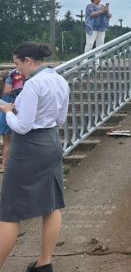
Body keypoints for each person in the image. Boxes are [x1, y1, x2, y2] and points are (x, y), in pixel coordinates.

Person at [0, 42, 69, 271]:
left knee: (10, 211)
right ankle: (44, 263)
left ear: (29, 60)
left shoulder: (33, 85)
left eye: (18, 64)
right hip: (50, 143)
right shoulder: (59, 80)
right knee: (51, 204)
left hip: (28, 149)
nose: (18, 70)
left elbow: (22, 126)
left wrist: (8, 112)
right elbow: (60, 120)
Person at [1, 69, 25, 173]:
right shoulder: (12, 91)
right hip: (9, 113)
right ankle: (4, 166)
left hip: (2, 114)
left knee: (6, 141)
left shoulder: (2, 88)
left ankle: (3, 165)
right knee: (9, 143)